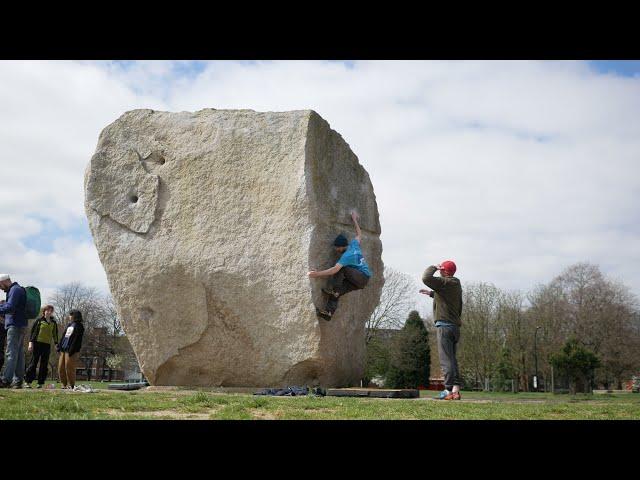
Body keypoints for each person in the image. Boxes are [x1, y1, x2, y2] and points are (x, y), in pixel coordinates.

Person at [307, 211, 372, 320]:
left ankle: (333, 290)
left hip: (361, 276)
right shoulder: (354, 244)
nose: (336, 250)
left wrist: (316, 274)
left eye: (337, 248)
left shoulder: (346, 256)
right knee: (337, 292)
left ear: (341, 247)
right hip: (360, 281)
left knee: (340, 268)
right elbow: (359, 234)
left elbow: (334, 270)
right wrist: (354, 219)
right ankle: (328, 313)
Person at [420, 260, 463, 400]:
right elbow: (447, 298)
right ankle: (456, 390)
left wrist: (433, 266)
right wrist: (432, 294)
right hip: (454, 327)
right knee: (452, 360)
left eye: (440, 270)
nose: (439, 272)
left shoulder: (445, 282)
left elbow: (426, 277)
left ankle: (448, 390)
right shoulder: (455, 284)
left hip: (444, 327)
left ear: (444, 271)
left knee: (446, 360)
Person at [0, 274, 27, 389]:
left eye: (0, 286)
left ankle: (6, 380)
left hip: (14, 325)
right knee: (19, 354)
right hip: (19, 324)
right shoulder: (17, 289)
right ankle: (18, 380)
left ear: (4, 282)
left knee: (11, 353)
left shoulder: (14, 290)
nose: (0, 288)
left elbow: (10, 307)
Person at [24, 305, 59, 389]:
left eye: (51, 311)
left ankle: (40, 383)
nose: (49, 312)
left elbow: (55, 334)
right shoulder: (39, 321)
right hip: (37, 344)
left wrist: (56, 344)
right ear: (44, 311)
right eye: (48, 310)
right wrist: (30, 343)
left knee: (44, 364)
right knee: (33, 363)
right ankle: (28, 382)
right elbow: (33, 333)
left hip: (47, 345)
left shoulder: (53, 323)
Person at [57, 309, 84, 390]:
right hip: (63, 350)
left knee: (69, 367)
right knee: (61, 367)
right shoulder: (69, 325)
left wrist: (73, 349)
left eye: (70, 315)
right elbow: (64, 336)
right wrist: (59, 346)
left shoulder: (79, 326)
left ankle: (71, 385)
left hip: (71, 350)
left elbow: (77, 339)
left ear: (74, 316)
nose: (69, 316)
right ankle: (63, 384)